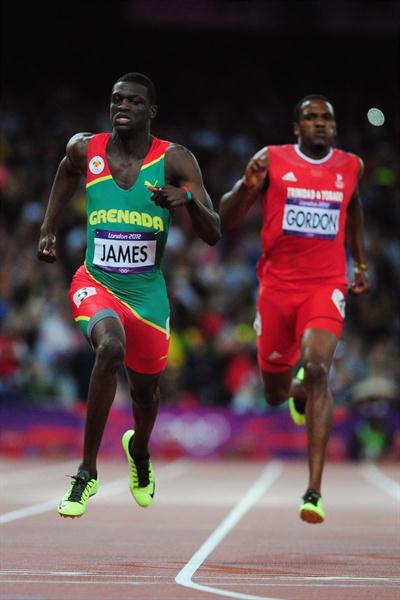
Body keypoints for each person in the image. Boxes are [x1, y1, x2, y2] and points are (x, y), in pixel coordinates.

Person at [37, 72, 221, 518]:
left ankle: (139, 451)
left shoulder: (175, 160)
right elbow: (65, 172)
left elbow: (213, 230)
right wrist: (48, 228)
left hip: (148, 294)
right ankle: (86, 472)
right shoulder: (87, 148)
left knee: (146, 395)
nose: (122, 106)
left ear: (150, 111)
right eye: (117, 99)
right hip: (96, 281)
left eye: (133, 101)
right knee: (110, 348)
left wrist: (187, 201)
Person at [219, 95, 369, 524]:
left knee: (320, 369)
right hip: (276, 290)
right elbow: (228, 219)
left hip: (324, 286)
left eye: (326, 118)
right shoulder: (272, 160)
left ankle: (314, 491)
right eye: (310, 117)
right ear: (296, 127)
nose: (319, 124)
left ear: (335, 129)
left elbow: (353, 208)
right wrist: (247, 185)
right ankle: (297, 391)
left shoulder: (350, 166)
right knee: (275, 393)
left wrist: (358, 262)